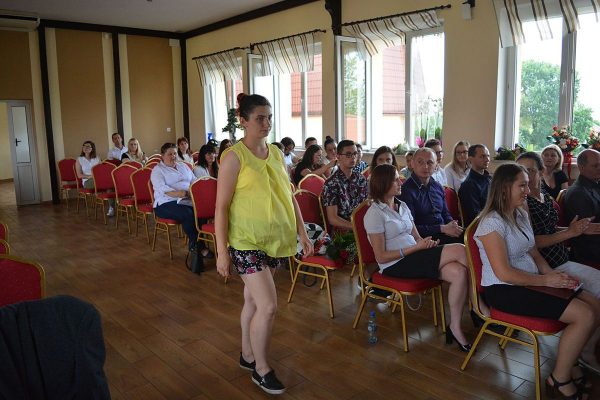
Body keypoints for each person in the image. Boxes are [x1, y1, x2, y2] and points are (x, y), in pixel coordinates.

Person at [475, 163, 600, 399]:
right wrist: (546, 281)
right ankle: (560, 379)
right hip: (504, 289)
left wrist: (552, 276)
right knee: (584, 315)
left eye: (527, 184)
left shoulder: (520, 213)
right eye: (521, 185)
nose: (528, 189)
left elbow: (533, 252)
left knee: (595, 304)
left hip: (531, 281)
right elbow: (503, 273)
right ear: (504, 189)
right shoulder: (491, 222)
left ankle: (571, 362)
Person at [216, 93, 312, 395]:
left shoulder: (275, 152)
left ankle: (247, 354)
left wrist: (303, 232)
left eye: (269, 117)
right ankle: (261, 369)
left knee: (253, 301)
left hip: (276, 240)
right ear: (243, 120)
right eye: (260, 118)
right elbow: (221, 207)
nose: (266, 123)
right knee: (268, 307)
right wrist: (221, 252)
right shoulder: (234, 157)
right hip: (246, 242)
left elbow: (288, 194)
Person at [364, 164, 474, 352]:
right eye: (395, 180)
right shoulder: (374, 214)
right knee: (461, 250)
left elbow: (416, 237)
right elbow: (381, 257)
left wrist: (426, 244)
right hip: (395, 264)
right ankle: (480, 307)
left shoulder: (402, 205)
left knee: (459, 272)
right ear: (382, 184)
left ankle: (455, 327)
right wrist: (416, 248)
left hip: (415, 254)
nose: (401, 182)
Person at [517, 151, 600, 374]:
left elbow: (550, 229)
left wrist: (576, 229)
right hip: (545, 267)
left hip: (560, 260)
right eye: (521, 171)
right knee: (592, 303)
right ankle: (582, 351)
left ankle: (584, 347)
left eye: (530, 170)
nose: (525, 175)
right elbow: (532, 243)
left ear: (540, 172)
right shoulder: (522, 203)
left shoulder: (543, 195)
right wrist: (569, 234)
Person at [151, 143, 211, 268]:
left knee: (201, 212)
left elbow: (194, 180)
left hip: (186, 199)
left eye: (174, 153)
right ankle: (198, 246)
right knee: (188, 214)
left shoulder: (183, 166)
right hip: (165, 203)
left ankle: (197, 246)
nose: (173, 156)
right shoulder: (158, 170)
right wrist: (180, 193)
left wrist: (197, 190)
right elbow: (162, 188)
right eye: (170, 154)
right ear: (162, 156)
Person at [400, 147, 463, 244]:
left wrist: (452, 225)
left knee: (475, 236)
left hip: (444, 232)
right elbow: (410, 228)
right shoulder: (406, 190)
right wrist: (442, 228)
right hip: (425, 239)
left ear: (436, 165)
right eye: (420, 162)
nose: (425, 166)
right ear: (412, 164)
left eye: (430, 162)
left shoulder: (438, 187)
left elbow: (445, 214)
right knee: (464, 246)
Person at [321, 139, 368, 231]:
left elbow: (366, 205)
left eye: (355, 154)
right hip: (344, 231)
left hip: (363, 224)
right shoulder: (331, 183)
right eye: (348, 154)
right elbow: (333, 219)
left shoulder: (361, 178)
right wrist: (357, 227)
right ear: (338, 156)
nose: (353, 157)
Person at [563, 149, 600, 265]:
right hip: (589, 252)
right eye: (596, 166)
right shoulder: (578, 194)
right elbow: (590, 233)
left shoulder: (594, 183)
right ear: (581, 167)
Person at [458, 144, 491, 227]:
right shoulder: (468, 185)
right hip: (480, 227)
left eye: (488, 156)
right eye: (482, 156)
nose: (487, 159)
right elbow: (475, 217)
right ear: (470, 159)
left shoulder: (490, 179)